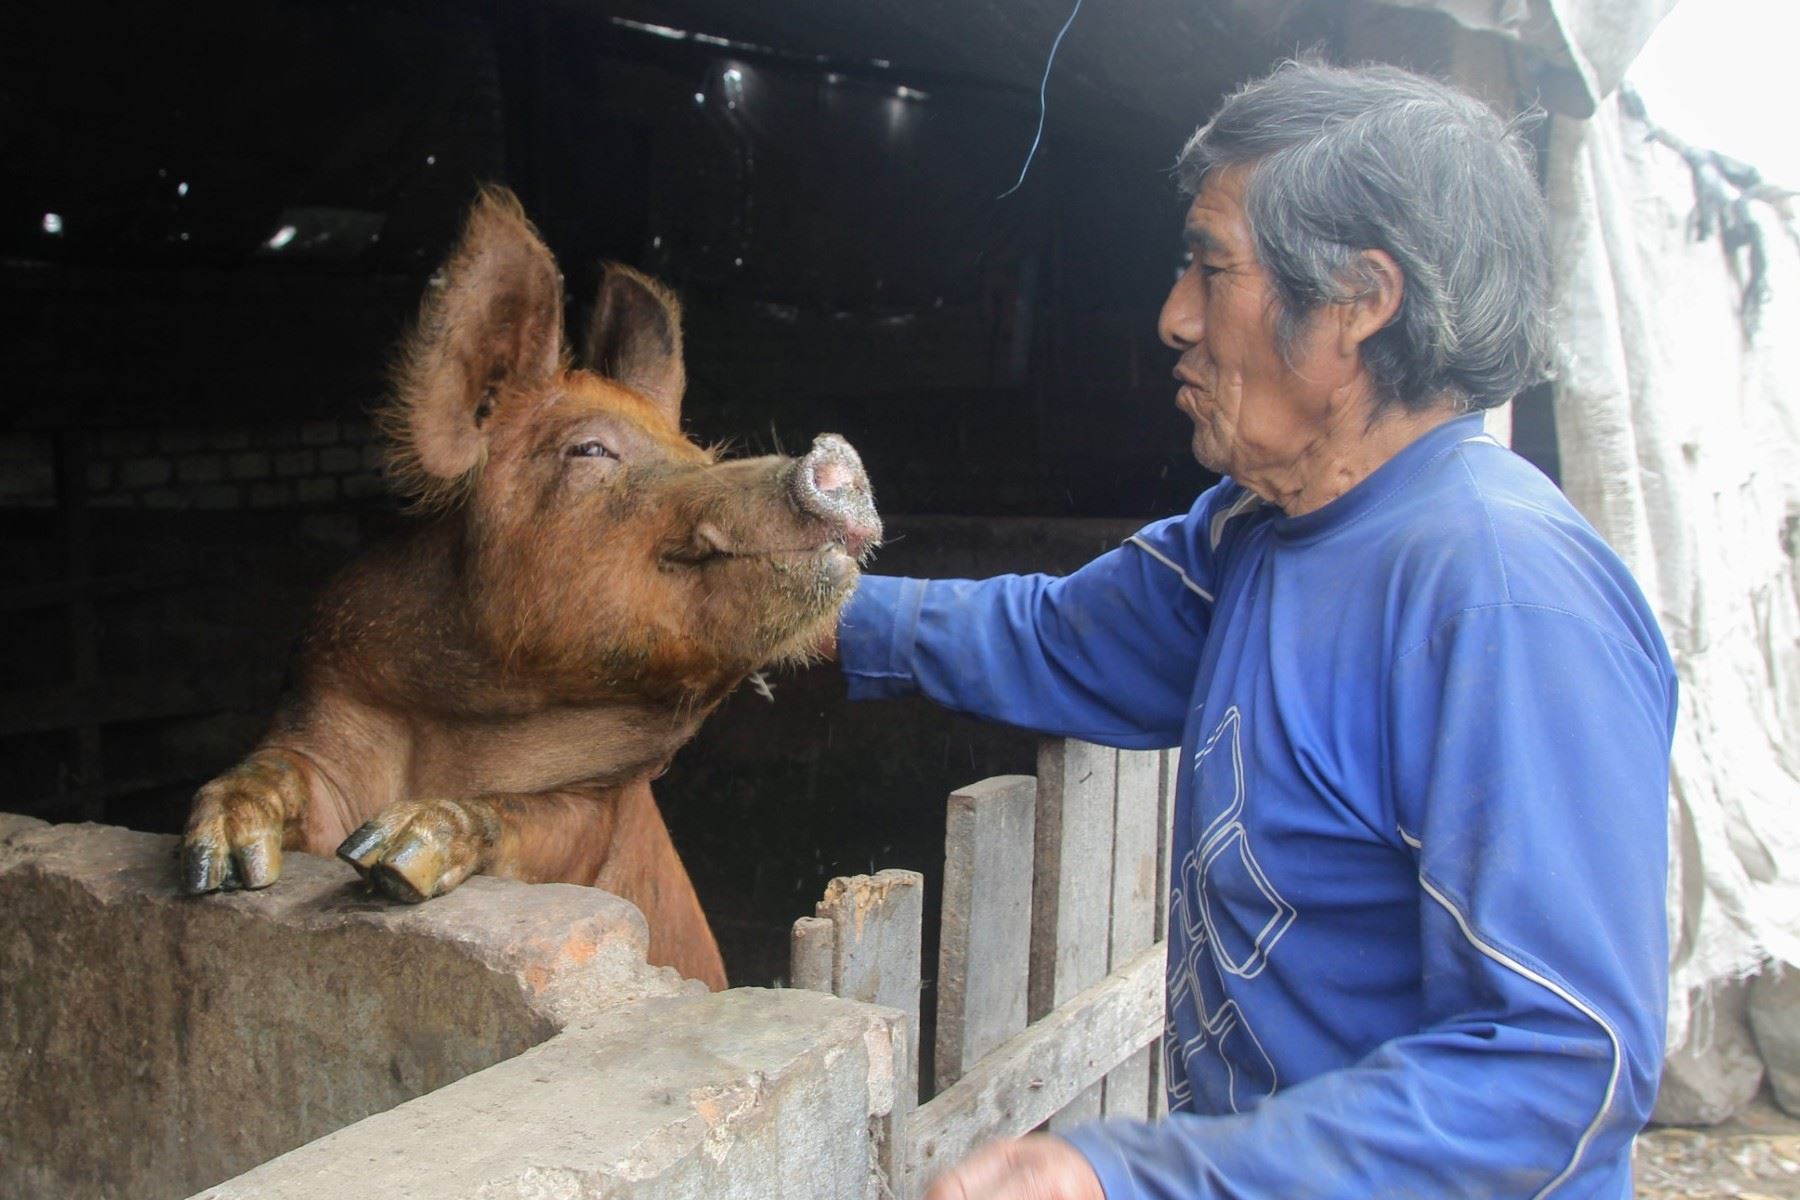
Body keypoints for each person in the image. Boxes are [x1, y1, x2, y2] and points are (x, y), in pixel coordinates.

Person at [833, 60, 1677, 1199]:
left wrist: (1138, 1178)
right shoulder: (1257, 532)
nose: (1174, 316)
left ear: (1360, 301)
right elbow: (1054, 639)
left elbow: (1555, 1067)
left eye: (1210, 266)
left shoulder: (1502, 599)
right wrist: (799, 615)